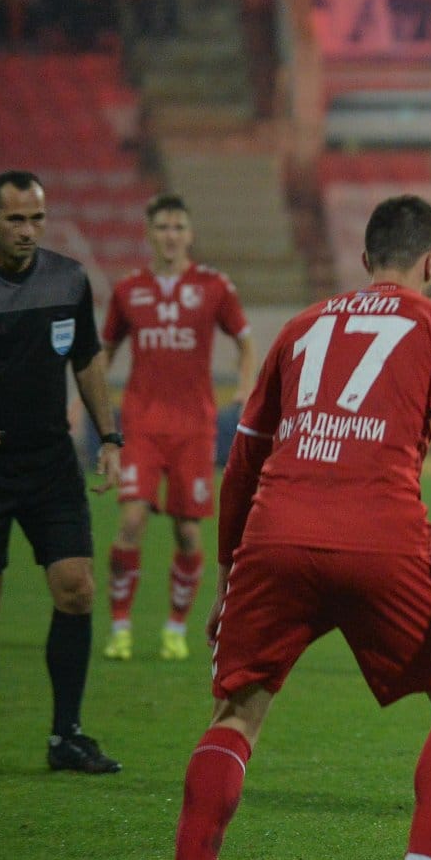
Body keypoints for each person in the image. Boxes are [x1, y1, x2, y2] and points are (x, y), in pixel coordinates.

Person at [143, 195, 431, 860]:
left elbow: (245, 454)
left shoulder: (303, 327)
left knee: (238, 710)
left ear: (365, 258)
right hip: (383, 537)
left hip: (275, 533)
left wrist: (231, 568)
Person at [0, 171, 123, 775]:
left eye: (36, 219)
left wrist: (108, 436)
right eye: (15, 220)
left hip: (50, 460)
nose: (28, 231)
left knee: (77, 586)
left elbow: (86, 357)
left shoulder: (68, 279)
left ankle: (66, 736)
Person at [101, 195, 255, 662]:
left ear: (189, 234)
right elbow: (104, 351)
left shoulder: (214, 286)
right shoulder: (128, 289)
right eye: (162, 226)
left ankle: (174, 627)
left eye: (178, 227)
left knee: (189, 533)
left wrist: (246, 389)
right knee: (131, 521)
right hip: (142, 423)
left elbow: (246, 344)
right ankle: (121, 627)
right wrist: (84, 403)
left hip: (193, 426)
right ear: (149, 232)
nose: (170, 235)